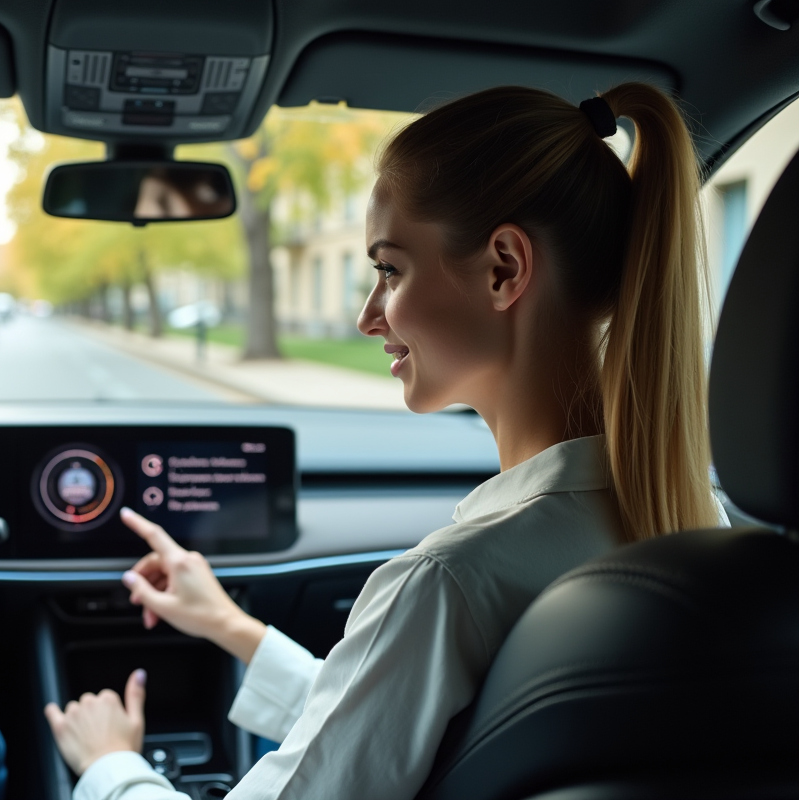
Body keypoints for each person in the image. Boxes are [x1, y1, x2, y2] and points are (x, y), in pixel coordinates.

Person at [42, 82, 729, 800]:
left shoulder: (449, 583)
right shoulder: (694, 525)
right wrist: (229, 625)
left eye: (390, 270)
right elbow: (433, 730)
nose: (370, 317)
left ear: (504, 268)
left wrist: (112, 767)